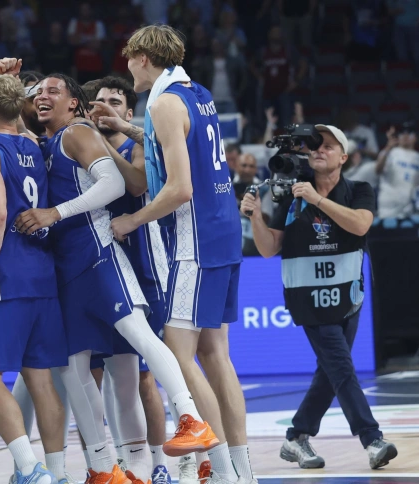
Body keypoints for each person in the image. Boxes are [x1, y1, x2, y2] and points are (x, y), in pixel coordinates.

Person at [14, 72, 215, 484]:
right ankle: (103, 466)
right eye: (39, 92)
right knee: (73, 369)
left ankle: (190, 417)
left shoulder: (77, 133)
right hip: (66, 269)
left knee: (140, 339)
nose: (43, 97)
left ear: (75, 103)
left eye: (54, 90)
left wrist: (56, 213)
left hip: (99, 255)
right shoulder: (46, 142)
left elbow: (114, 184)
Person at [111, 25, 252, 484]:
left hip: (195, 240)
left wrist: (131, 221)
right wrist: (125, 127)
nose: (127, 65)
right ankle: (243, 472)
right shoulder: (195, 91)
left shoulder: (165, 102)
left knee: (175, 353)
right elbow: (178, 141)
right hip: (225, 230)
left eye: (130, 57)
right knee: (216, 354)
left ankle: (222, 470)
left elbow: (179, 187)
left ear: (144, 58)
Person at [241, 124, 399, 471]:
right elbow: (269, 249)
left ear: (343, 157)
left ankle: (296, 437)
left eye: (328, 146)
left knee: (330, 373)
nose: (319, 150)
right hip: (309, 301)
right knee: (341, 368)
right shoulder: (294, 199)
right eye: (315, 147)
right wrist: (255, 216)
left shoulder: (358, 189)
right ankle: (372, 439)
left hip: (348, 297)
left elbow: (360, 225)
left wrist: (318, 200)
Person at [0, 74, 68, 484]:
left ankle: (30, 469)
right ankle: (57, 474)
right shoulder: (32, 144)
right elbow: (16, 122)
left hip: (6, 273)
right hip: (43, 272)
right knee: (40, 380)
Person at [89, 75, 172, 484]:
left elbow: (135, 182)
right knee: (100, 371)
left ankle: (159, 461)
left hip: (140, 270)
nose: (105, 106)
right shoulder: (77, 143)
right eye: (99, 100)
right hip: (93, 271)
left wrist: (100, 143)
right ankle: (125, 461)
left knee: (142, 376)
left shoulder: (136, 144)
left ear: (128, 111)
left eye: (115, 101)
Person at [375, 123, 419, 219]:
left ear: (416, 137)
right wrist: (388, 147)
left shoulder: (417, 157)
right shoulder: (390, 152)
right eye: (402, 133)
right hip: (388, 206)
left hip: (408, 208)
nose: (406, 135)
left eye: (410, 133)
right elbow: (377, 170)